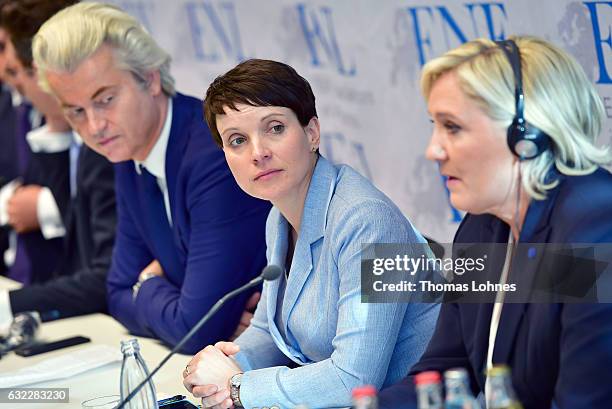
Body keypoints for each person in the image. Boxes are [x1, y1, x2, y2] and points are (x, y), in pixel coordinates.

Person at [182, 59, 440, 409]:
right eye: (237, 140)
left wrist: (239, 387)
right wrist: (221, 367)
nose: (258, 153)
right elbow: (270, 333)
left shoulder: (366, 221)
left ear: (312, 133)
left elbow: (353, 379)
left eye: (274, 128)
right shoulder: (278, 216)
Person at [378, 36, 612, 408]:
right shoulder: (482, 224)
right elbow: (445, 370)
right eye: (435, 126)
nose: (433, 150)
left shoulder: (594, 226)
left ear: (527, 133)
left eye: (452, 127)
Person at [32, 2, 271, 353]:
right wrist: (164, 296)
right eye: (77, 112)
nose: (94, 127)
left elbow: (195, 330)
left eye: (106, 99)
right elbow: (114, 293)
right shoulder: (128, 152)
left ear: (151, 78)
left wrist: (145, 285)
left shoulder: (214, 156)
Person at [0, 0, 117, 323]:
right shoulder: (57, 131)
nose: (17, 88)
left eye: (16, 73)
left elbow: (102, 275)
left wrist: (10, 304)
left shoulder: (105, 143)